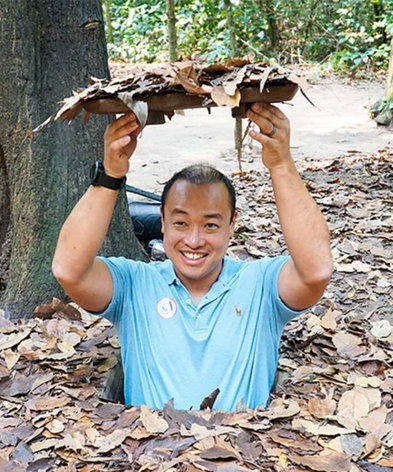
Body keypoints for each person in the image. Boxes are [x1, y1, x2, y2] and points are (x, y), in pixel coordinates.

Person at [52, 103, 333, 411]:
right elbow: (69, 270)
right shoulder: (134, 284)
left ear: (232, 224)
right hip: (150, 441)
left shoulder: (260, 284)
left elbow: (316, 270)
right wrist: (110, 176)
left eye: (210, 225)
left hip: (242, 440)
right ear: (162, 221)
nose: (194, 240)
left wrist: (281, 165)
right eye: (181, 223)